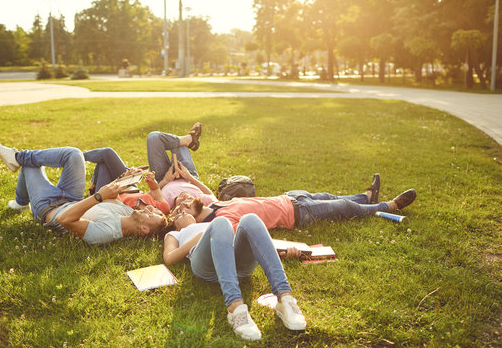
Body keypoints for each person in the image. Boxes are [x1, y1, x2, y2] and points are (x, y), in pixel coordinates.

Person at [0, 138, 168, 245]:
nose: (150, 208)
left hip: (48, 208)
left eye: (153, 213)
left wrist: (98, 197)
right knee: (74, 154)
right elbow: (112, 198)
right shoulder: (129, 212)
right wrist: (123, 179)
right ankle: (17, 160)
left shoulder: (107, 233)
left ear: (144, 229)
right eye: (155, 209)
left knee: (30, 166)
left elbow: (65, 219)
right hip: (71, 197)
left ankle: (21, 199)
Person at [163, 212, 307, 341]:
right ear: (174, 225)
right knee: (221, 223)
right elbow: (169, 257)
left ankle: (285, 298)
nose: (181, 210)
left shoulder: (211, 219)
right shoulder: (176, 234)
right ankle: (235, 307)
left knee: (250, 218)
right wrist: (200, 237)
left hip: (235, 263)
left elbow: (256, 239)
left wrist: (281, 252)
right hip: (206, 267)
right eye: (176, 213)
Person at [169, 174, 417, 232]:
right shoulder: (221, 223)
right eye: (182, 208)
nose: (186, 202)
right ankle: (388, 206)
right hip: (298, 214)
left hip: (290, 197)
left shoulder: (212, 205)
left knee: (331, 197)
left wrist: (188, 179)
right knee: (345, 208)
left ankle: (367, 196)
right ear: (188, 219)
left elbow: (201, 191)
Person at [146, 123, 217, 208]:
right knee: (180, 145)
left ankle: (188, 140)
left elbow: (145, 197)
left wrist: (165, 180)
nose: (185, 197)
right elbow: (211, 195)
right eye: (191, 201)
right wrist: (189, 176)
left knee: (153, 138)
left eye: (184, 204)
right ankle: (187, 141)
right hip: (188, 177)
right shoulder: (200, 201)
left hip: (163, 178)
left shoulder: (166, 205)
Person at [83, 147, 170, 214]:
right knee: (108, 153)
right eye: (158, 211)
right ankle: (77, 156)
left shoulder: (132, 214)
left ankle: (76, 157)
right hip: (131, 188)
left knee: (104, 164)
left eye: (153, 213)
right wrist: (151, 181)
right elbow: (155, 190)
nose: (152, 208)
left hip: (108, 195)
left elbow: (113, 198)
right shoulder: (164, 208)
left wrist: (123, 178)